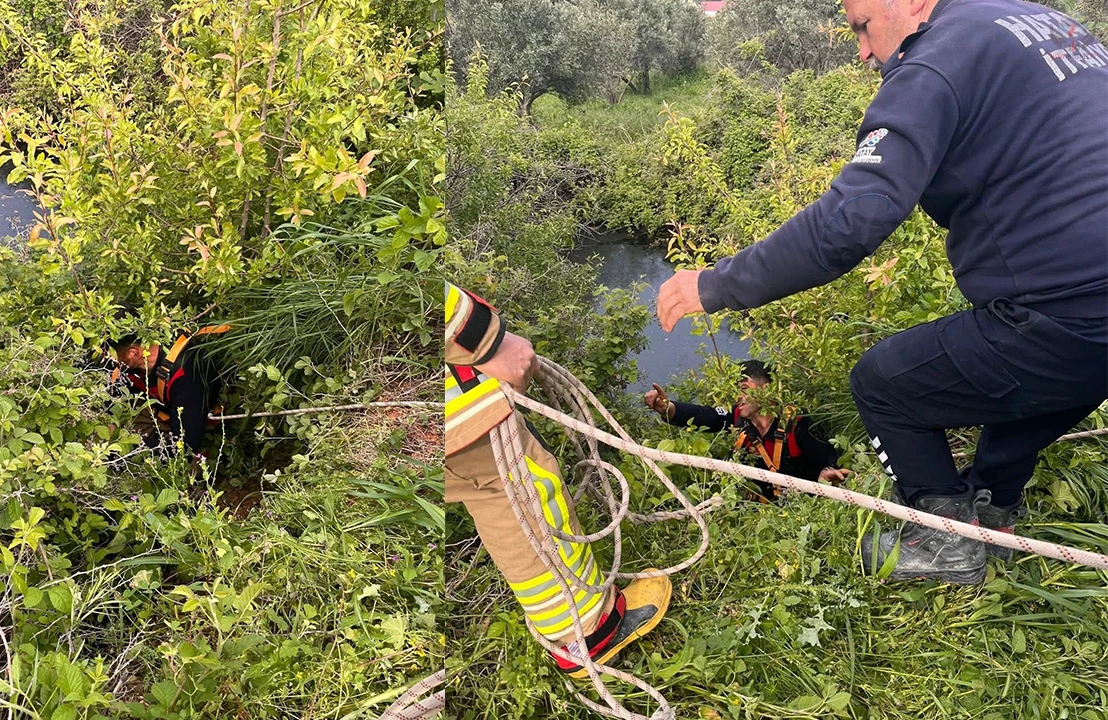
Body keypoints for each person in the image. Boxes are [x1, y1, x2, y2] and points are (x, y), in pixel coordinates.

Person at [654, 0, 1107, 584]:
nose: (864, 51)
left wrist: (714, 284)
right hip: (1086, 334)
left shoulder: (932, 62)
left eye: (863, 26)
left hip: (1067, 315)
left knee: (883, 383)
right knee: (1023, 378)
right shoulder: (1041, 21)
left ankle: (946, 542)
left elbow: (851, 219)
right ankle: (994, 517)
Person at [444, 282, 671, 677]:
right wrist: (485, 341)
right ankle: (590, 631)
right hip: (460, 413)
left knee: (489, 497)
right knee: (521, 491)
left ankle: (564, 626)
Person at [644, 360, 852, 503]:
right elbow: (705, 415)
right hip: (759, 510)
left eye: (743, 388)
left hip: (802, 508)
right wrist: (668, 408)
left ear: (767, 389)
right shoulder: (737, 420)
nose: (737, 396)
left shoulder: (796, 423)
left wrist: (828, 470)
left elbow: (828, 453)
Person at [108, 323, 231, 455]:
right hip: (160, 407)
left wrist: (123, 446)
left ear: (133, 353)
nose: (109, 360)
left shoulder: (187, 379)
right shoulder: (158, 336)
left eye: (112, 356)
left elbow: (185, 447)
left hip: (189, 421)